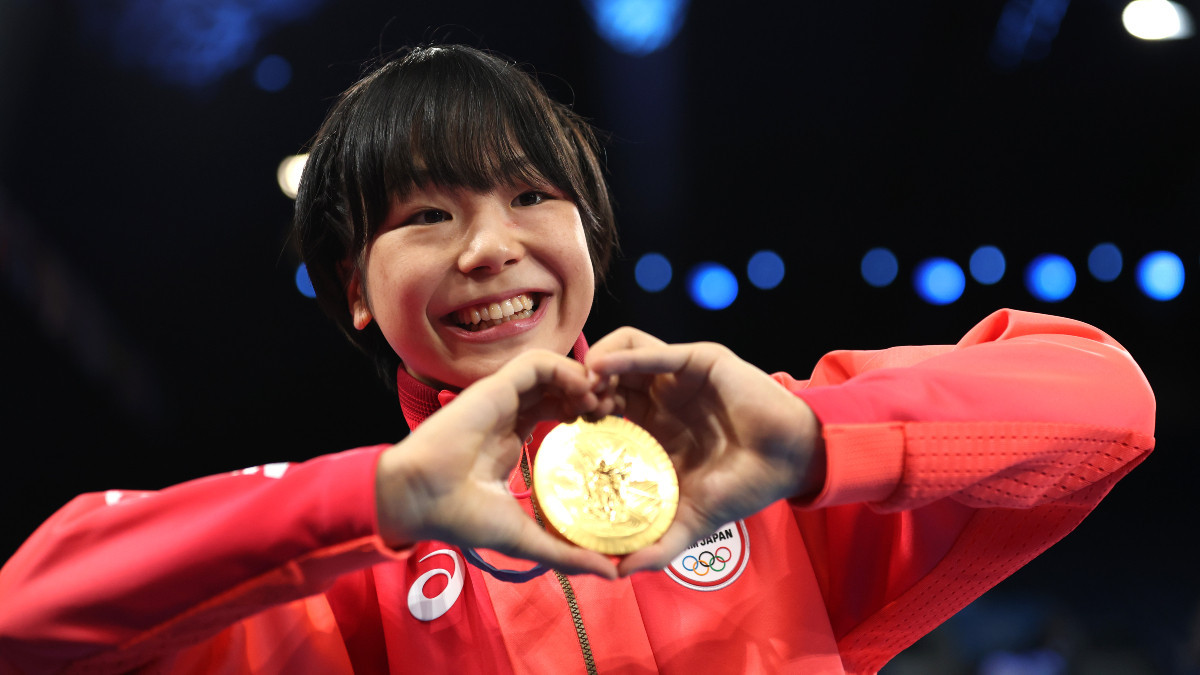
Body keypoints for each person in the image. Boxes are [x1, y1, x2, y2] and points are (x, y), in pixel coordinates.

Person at [0, 45, 1155, 674]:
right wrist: (380, 498)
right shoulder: (346, 570)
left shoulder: (759, 467)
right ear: (355, 289)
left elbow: (1107, 399)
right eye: (423, 217)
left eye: (529, 195)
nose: (491, 247)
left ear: (587, 240)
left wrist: (811, 443)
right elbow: (30, 616)